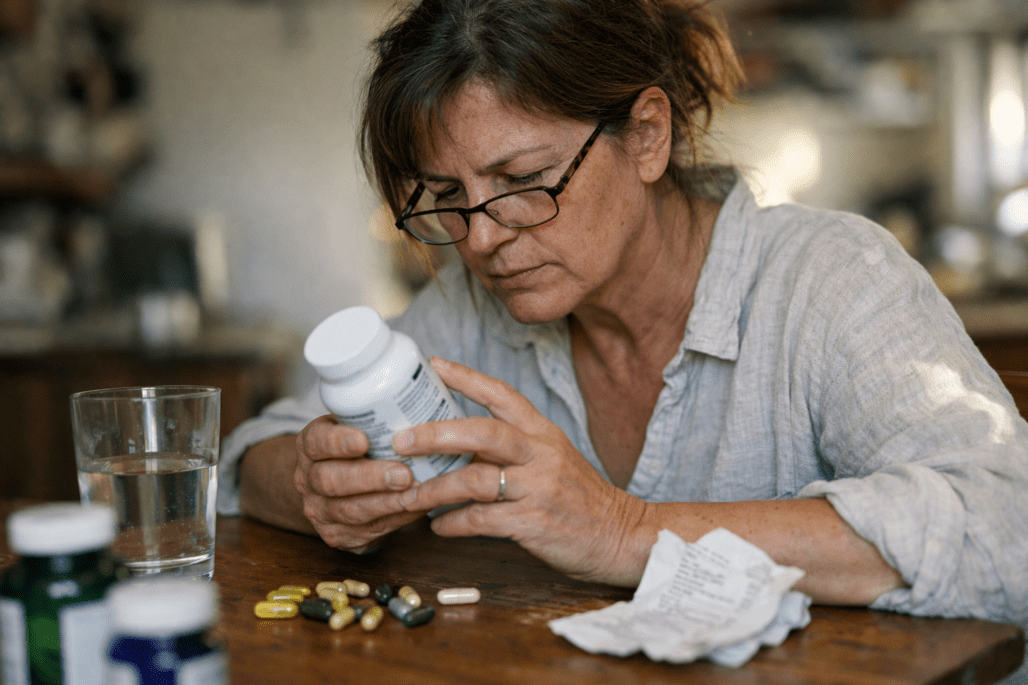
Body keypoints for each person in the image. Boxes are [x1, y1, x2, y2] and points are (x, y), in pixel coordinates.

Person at [217, 0, 1028, 664]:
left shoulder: (828, 278)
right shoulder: (473, 306)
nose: (480, 239)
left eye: (524, 181)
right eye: (447, 196)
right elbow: (255, 453)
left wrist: (620, 528)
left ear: (647, 135)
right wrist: (319, 485)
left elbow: (1006, 530)